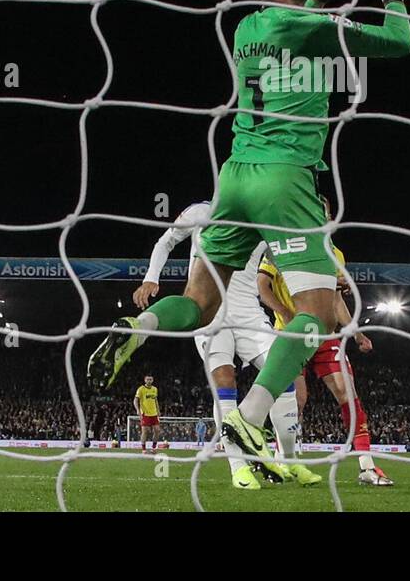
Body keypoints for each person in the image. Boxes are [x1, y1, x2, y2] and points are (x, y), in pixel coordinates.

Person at [89, 0, 410, 474]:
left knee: (197, 304)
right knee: (315, 312)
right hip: (285, 181)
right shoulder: (305, 28)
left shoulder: (248, 28)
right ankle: (251, 414)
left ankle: (139, 328)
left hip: (234, 178)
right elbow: (398, 43)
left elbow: (299, 17)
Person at [128, 200, 316, 489]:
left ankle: (289, 459)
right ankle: (238, 467)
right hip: (209, 312)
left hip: (249, 313)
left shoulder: (263, 218)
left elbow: (282, 263)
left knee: (284, 374)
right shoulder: (201, 211)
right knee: (224, 381)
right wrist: (150, 279)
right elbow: (165, 242)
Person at [257, 215, 392, 485]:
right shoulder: (282, 245)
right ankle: (282, 460)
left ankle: (366, 467)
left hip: (325, 335)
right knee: (296, 400)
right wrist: (284, 312)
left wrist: (356, 334)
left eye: (328, 215)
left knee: (347, 395)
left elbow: (335, 299)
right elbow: (262, 286)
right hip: (290, 335)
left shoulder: (335, 253)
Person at [134, 374, 162, 454]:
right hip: (145, 414)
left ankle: (153, 448)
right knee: (145, 431)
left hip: (154, 414)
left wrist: (158, 410)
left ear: (152, 380)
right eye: (147, 379)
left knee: (157, 430)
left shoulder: (155, 389)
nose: (149, 381)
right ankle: (143, 449)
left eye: (150, 379)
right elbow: (135, 400)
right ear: (145, 380)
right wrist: (137, 410)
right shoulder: (141, 389)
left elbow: (155, 400)